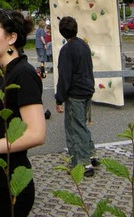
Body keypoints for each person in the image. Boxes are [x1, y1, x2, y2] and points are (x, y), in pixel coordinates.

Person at [0, 9, 46, 216]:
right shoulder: (2, 73)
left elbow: (36, 134)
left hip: (11, 184)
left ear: (11, 38)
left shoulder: (23, 74)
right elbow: (3, 127)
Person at [55, 16, 98, 177]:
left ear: (61, 32)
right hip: (87, 90)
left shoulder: (66, 50)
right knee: (82, 125)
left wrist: (59, 98)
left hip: (75, 94)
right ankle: (91, 154)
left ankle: (83, 164)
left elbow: (65, 77)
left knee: (74, 128)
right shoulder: (84, 45)